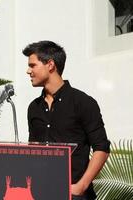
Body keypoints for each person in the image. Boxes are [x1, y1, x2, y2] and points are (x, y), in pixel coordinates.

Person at [22, 40, 110, 200]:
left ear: (50, 65)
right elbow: (32, 149)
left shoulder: (83, 102)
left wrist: (81, 186)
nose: (28, 71)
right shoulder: (33, 107)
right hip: (40, 193)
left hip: (74, 194)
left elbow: (101, 148)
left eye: (32, 65)